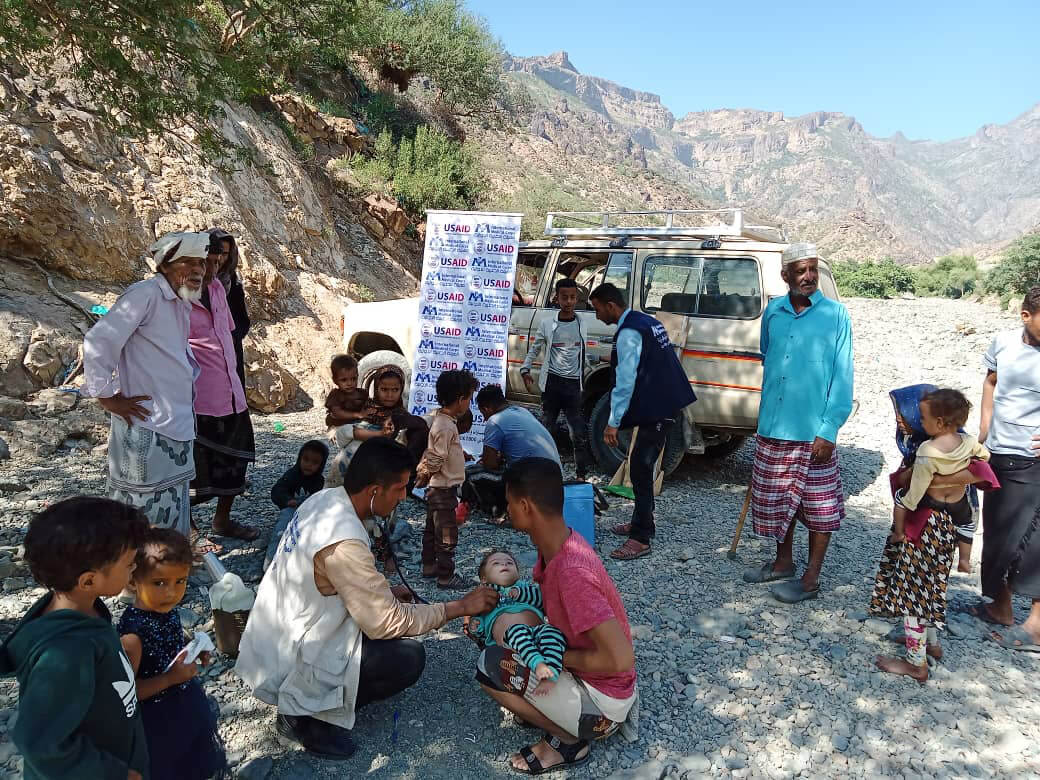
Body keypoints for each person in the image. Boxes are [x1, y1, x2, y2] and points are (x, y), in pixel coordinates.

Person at [235, 438, 498, 760]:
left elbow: (337, 581)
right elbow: (385, 623)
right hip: (293, 652)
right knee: (407, 658)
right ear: (374, 490)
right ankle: (304, 717)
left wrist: (383, 592)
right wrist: (458, 608)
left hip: (274, 633)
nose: (403, 497)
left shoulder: (325, 499)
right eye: (400, 488)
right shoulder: (344, 541)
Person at [476, 458, 637, 775]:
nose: (507, 510)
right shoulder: (558, 544)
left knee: (490, 665)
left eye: (509, 503)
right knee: (512, 647)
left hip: (604, 704)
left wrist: (557, 659)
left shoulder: (572, 572)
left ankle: (567, 742)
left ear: (525, 506)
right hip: (593, 680)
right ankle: (559, 711)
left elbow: (621, 659)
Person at [1, 497, 150, 779]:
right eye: (130, 564)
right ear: (88, 581)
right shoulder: (67, 652)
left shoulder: (78, 608)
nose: (135, 569)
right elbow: (40, 742)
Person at [741, 243, 853, 603]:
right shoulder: (773, 311)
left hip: (813, 432)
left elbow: (843, 376)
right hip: (774, 427)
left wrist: (829, 429)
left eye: (813, 270)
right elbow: (767, 356)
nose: (808, 277)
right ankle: (782, 562)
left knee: (820, 507)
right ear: (785, 275)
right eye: (801, 271)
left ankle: (811, 578)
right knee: (777, 501)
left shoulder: (837, 315)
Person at [82, 231, 210, 537]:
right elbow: (99, 341)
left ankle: (166, 574)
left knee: (173, 504)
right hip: (148, 426)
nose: (198, 270)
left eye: (201, 263)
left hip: (175, 424)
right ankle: (134, 579)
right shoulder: (145, 294)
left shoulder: (180, 300)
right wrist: (106, 397)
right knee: (140, 512)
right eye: (188, 262)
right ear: (166, 265)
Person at [869, 389, 990, 682]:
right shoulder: (966, 443)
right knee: (931, 586)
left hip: (923, 526)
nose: (903, 419)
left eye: (909, 415)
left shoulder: (927, 452)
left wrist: (902, 511)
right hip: (949, 527)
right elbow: (983, 463)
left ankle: (915, 663)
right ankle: (931, 645)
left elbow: (915, 495)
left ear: (937, 421)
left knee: (912, 594)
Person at [587, 282, 697, 561]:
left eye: (597, 309)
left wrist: (613, 422)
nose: (597, 315)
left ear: (611, 305)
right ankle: (641, 522)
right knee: (640, 466)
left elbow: (625, 381)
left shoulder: (629, 332)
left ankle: (641, 538)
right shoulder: (646, 321)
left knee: (640, 467)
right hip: (665, 400)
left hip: (658, 407)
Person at [118, 528, 228, 780]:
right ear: (133, 581)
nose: (172, 592)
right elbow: (126, 693)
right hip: (154, 721)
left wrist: (192, 649)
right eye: (159, 583)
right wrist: (170, 679)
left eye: (181, 581)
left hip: (182, 702)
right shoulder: (131, 638)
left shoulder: (165, 609)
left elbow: (167, 638)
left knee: (192, 759)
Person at [969, 286, 1040, 651]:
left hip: (1034, 460)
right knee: (997, 532)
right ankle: (1001, 606)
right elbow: (991, 383)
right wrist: (982, 434)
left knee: (1031, 538)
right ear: (1025, 316)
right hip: (999, 453)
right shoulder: (1004, 342)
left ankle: (1037, 625)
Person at [188, 237, 259, 542]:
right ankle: (188, 531)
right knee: (191, 467)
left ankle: (222, 520)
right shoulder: (175, 298)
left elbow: (231, 332)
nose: (213, 268)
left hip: (231, 389)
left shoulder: (219, 288)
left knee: (236, 459)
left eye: (219, 261)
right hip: (197, 396)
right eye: (209, 261)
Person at [891, 384, 982, 573]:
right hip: (957, 509)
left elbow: (910, 481)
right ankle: (965, 559)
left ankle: (898, 534)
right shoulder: (965, 441)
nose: (898, 418)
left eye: (905, 413)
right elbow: (982, 461)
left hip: (925, 519)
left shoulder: (925, 448)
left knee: (914, 573)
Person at [520, 278, 595, 479]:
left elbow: (581, 352)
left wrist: (596, 360)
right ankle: (541, 471)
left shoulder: (582, 323)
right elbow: (535, 348)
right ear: (556, 298)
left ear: (577, 299)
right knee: (545, 430)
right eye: (564, 297)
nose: (568, 302)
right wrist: (525, 369)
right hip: (552, 384)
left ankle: (581, 474)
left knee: (577, 433)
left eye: (572, 297)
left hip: (573, 386)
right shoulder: (547, 324)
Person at [466, 550, 567, 687]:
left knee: (553, 633)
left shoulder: (524, 587)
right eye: (496, 563)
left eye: (509, 563)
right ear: (484, 578)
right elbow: (480, 623)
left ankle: (551, 675)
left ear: (518, 574)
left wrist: (521, 593)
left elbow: (542, 600)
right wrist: (476, 626)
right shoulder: (484, 594)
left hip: (538, 631)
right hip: (510, 642)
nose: (504, 564)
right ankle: (538, 664)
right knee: (517, 631)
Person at [464, 385, 561, 523]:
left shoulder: (495, 421)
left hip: (533, 481)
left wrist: (487, 460)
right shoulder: (521, 411)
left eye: (483, 414)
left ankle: (499, 512)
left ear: (487, 409)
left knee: (471, 473)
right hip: (555, 477)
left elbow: (490, 464)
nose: (484, 419)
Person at [416, 370, 475, 589]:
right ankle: (446, 575)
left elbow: (444, 452)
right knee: (447, 532)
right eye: (469, 398)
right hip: (443, 489)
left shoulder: (443, 421)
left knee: (432, 528)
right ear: (460, 399)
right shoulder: (446, 425)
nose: (469, 402)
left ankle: (429, 566)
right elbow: (437, 456)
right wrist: (425, 474)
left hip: (437, 488)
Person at [324, 355, 391, 489]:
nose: (349, 383)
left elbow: (368, 409)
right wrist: (358, 414)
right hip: (338, 428)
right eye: (344, 380)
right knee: (349, 433)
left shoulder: (362, 393)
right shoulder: (336, 395)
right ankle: (378, 435)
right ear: (335, 380)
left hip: (356, 425)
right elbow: (337, 413)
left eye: (353, 379)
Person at [266, 440, 330, 569]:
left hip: (309, 513)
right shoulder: (292, 475)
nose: (309, 465)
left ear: (321, 465)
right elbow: (277, 490)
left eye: (315, 462)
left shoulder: (319, 480)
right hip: (291, 509)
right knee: (282, 531)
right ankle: (270, 561)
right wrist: (287, 500)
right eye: (305, 459)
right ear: (299, 458)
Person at [205, 229, 250, 389]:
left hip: (229, 348)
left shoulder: (231, 282)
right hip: (204, 352)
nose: (221, 259)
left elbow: (242, 319)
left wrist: (231, 337)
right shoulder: (196, 282)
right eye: (218, 253)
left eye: (225, 254)